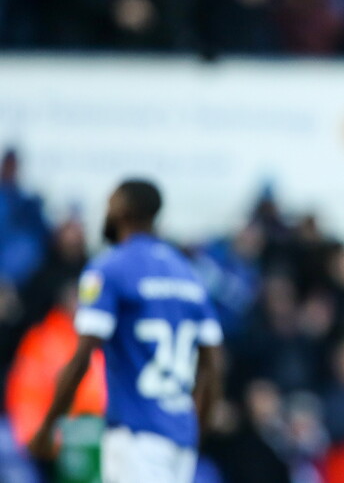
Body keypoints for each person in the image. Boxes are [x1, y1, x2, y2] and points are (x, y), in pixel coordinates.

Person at [28, 180, 224, 483]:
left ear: (121, 209)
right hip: (180, 437)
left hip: (136, 435)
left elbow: (82, 357)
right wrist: (197, 432)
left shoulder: (110, 268)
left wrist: (48, 426)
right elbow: (213, 364)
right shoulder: (188, 273)